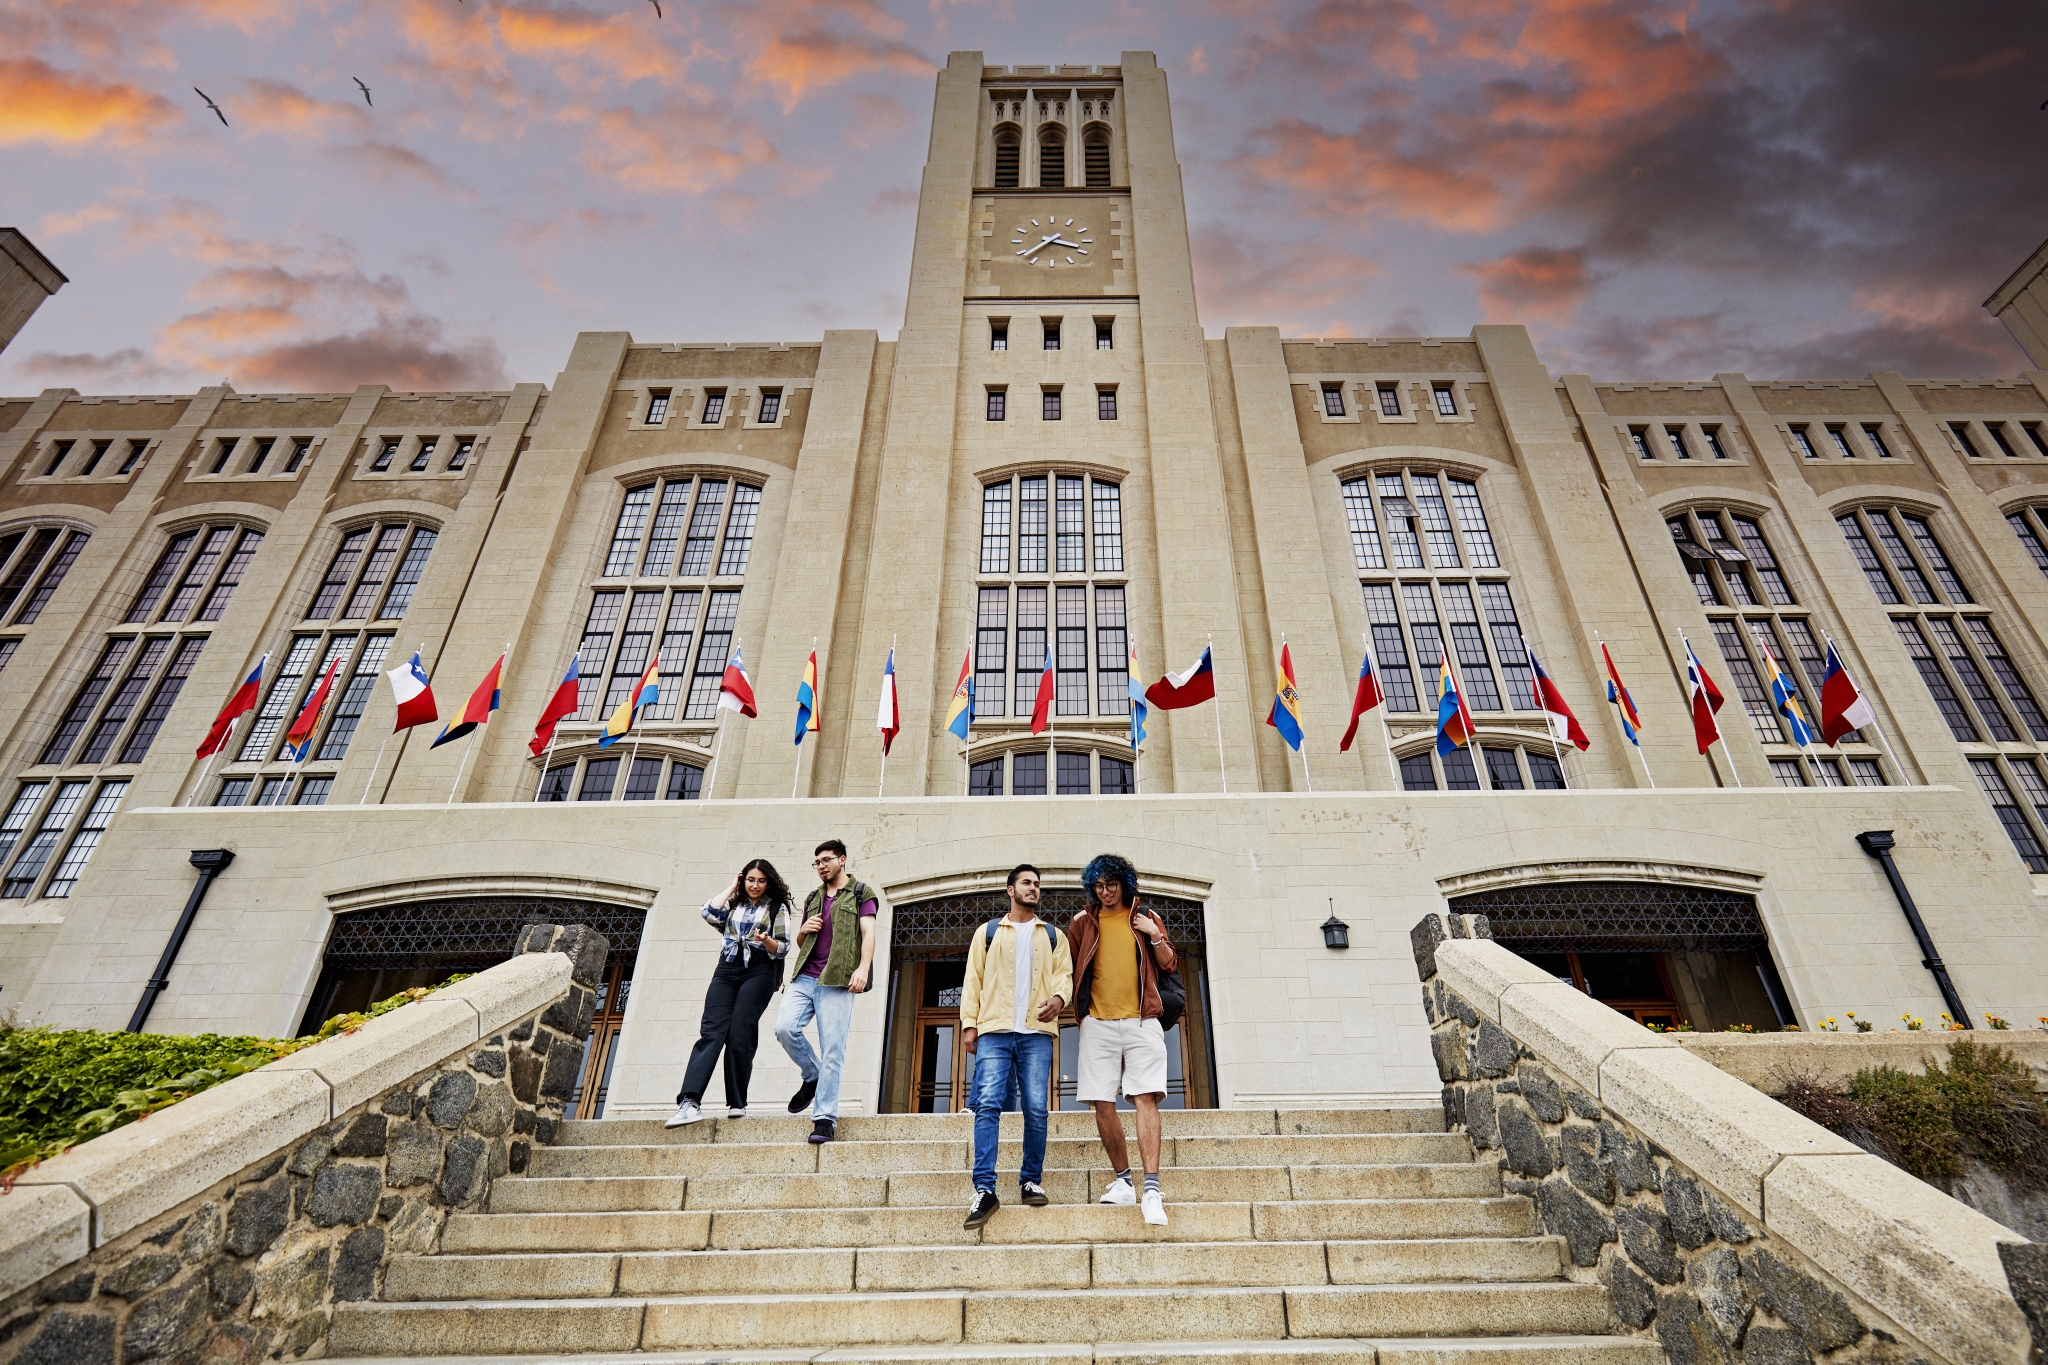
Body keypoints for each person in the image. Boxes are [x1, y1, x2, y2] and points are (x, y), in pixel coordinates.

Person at [959, 864, 1073, 1230]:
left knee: (1037, 1107)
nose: (1033, 888)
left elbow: (1064, 977)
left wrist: (1059, 998)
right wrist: (969, 1025)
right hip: (994, 1028)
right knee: (988, 1105)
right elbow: (972, 979)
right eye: (1026, 883)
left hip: (1036, 1033)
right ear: (1010, 889)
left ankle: (1029, 1180)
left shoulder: (1053, 935)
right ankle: (985, 1190)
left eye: (1037, 884)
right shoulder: (989, 932)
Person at [1065, 852, 1175, 1227]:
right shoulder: (1082, 922)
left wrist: (1155, 935)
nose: (1106, 892)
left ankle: (1152, 1189)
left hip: (1142, 1021)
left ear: (1124, 885)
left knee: (1145, 1096)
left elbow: (1168, 964)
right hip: (1098, 1023)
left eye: (1112, 885)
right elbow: (1071, 969)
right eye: (1099, 886)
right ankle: (1124, 1181)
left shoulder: (1145, 918)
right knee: (1101, 1102)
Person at [665, 859, 794, 1128]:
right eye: (750, 880)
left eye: (760, 880)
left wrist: (764, 940)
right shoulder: (735, 905)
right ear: (742, 880)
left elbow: (782, 948)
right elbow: (708, 912)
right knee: (711, 1031)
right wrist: (732, 887)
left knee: (739, 1033)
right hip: (727, 968)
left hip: (759, 970)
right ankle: (689, 1102)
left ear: (768, 882)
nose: (755, 885)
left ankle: (737, 1102)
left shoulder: (776, 908)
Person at [774, 838, 879, 1143]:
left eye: (826, 860)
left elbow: (868, 932)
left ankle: (824, 1119)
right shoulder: (813, 898)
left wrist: (862, 969)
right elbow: (802, 944)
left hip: (837, 980)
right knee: (784, 1028)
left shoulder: (861, 893)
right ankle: (812, 1074)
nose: (821, 866)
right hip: (806, 977)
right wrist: (803, 930)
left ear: (842, 860)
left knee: (833, 1049)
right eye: (817, 862)